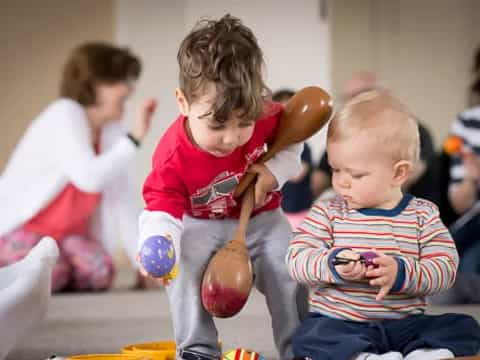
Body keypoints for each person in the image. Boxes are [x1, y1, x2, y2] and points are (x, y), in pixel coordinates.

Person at [138, 15, 306, 360]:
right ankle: (198, 349)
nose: (232, 138)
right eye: (217, 124)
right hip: (200, 223)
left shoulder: (268, 115)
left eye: (244, 123)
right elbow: (160, 206)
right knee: (181, 267)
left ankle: (301, 347)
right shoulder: (172, 156)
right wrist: (160, 238)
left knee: (290, 266)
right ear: (183, 103)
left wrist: (274, 172)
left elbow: (294, 143)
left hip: (262, 218)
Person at [286, 90, 480, 360]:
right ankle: (364, 356)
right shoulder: (327, 211)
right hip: (340, 323)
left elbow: (445, 268)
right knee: (309, 336)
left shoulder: (422, 215)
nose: (340, 181)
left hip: (404, 324)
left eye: (355, 174)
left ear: (398, 173)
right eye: (335, 169)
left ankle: (423, 351)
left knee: (464, 326)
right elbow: (296, 259)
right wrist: (333, 263)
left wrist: (401, 273)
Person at [0, 42, 156, 292]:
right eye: (119, 80)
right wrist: (135, 138)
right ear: (94, 85)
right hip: (26, 228)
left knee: (100, 273)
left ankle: (53, 268)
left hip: (69, 236)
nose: (129, 89)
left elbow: (124, 202)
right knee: (49, 274)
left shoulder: (114, 134)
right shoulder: (64, 113)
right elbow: (89, 177)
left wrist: (143, 264)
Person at [311, 72, 437, 204]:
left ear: (386, 94)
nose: (353, 102)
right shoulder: (345, 135)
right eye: (348, 98)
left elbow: (406, 178)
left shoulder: (411, 130)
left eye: (361, 94)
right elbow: (317, 182)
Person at [430, 45, 480, 304]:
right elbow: (460, 204)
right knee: (444, 278)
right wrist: (472, 177)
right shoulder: (467, 122)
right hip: (473, 219)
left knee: (470, 271)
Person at [273, 89, 315, 227]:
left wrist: (271, 169)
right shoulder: (271, 147)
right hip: (278, 212)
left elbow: (297, 174)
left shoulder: (302, 146)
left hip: (299, 212)